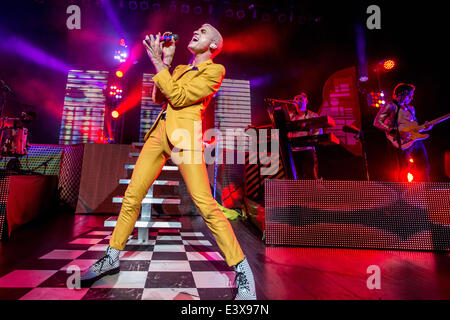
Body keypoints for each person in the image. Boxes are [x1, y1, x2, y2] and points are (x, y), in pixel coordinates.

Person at [80, 24, 257, 300]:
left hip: (185, 138)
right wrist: (164, 63)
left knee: (206, 205)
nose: (196, 32)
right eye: (196, 30)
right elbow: (159, 96)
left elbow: (179, 97)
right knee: (132, 195)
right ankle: (112, 256)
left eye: (204, 31)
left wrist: (156, 63)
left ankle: (243, 271)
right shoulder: (178, 70)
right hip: (159, 134)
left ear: (213, 45)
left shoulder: (215, 70)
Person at [373, 83, 431, 181]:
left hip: (415, 140)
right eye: (409, 95)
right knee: (404, 169)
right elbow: (377, 122)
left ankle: (426, 191)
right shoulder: (390, 106)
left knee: (424, 165)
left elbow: (414, 126)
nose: (411, 98)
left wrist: (425, 127)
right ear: (401, 94)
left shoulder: (411, 108)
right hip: (401, 141)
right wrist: (396, 132)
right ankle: (403, 194)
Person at [287, 92, 321, 179]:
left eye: (301, 99)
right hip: (294, 151)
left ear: (307, 101)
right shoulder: (289, 117)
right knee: (297, 176)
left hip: (307, 150)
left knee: (311, 176)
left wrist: (309, 141)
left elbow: (318, 132)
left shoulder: (313, 116)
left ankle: (313, 192)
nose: (299, 101)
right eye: (296, 99)